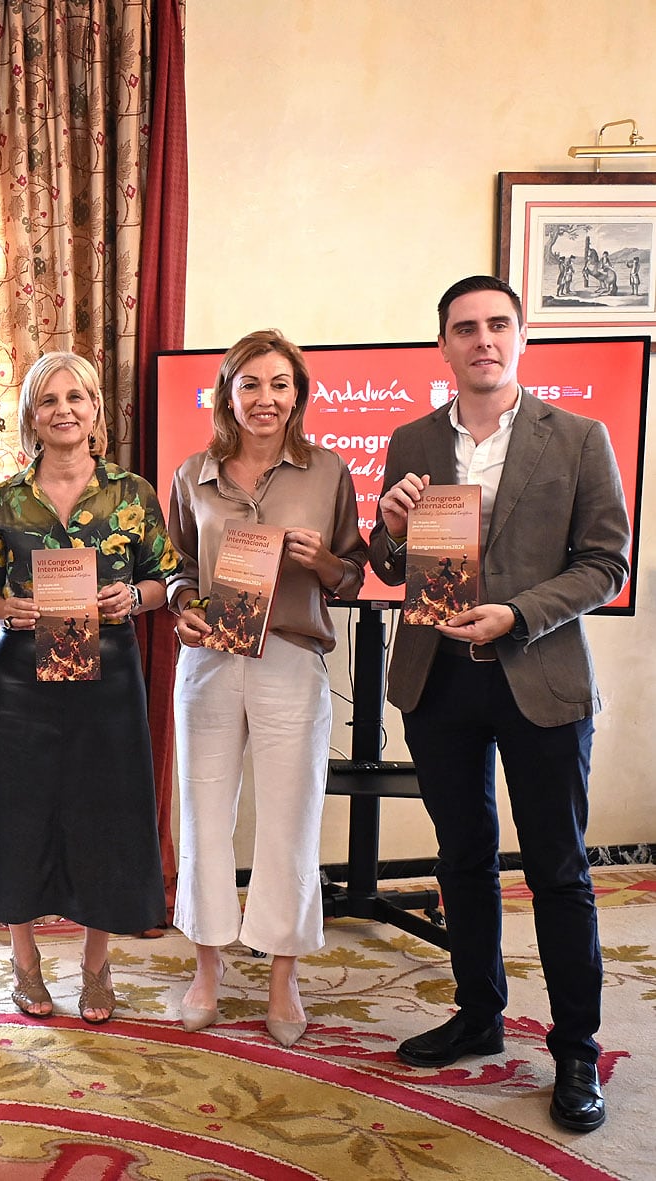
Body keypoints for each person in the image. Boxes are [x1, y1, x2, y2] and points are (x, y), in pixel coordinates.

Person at [370, 275, 629, 1133]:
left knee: (557, 868)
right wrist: (394, 526)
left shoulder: (580, 437)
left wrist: (519, 612)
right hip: (438, 676)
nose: (483, 339)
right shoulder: (409, 437)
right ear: (442, 345)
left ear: (521, 336)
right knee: (462, 857)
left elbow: (604, 563)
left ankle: (577, 1047)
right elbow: (385, 561)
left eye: (498, 324)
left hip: (538, 671)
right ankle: (479, 1014)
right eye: (464, 328)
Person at [0, 352, 176, 1021]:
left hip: (107, 679)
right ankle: (25, 963)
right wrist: (7, 610)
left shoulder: (131, 495)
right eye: (49, 400)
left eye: (76, 397)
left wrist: (132, 596)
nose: (64, 410)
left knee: (102, 820)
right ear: (32, 417)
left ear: (95, 410)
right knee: (20, 819)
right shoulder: (3, 501)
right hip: (22, 679)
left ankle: (97, 966)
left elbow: (166, 579)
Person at [165, 329, 368, 1048]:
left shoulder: (329, 472)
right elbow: (178, 569)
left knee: (290, 821)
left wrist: (323, 561)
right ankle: (207, 969)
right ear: (228, 392)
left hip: (289, 656)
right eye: (250, 383)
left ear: (299, 395)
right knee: (203, 815)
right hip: (211, 661)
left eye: (280, 384)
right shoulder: (193, 472)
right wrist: (181, 604)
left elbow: (355, 574)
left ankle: (283, 976)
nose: (265, 398)